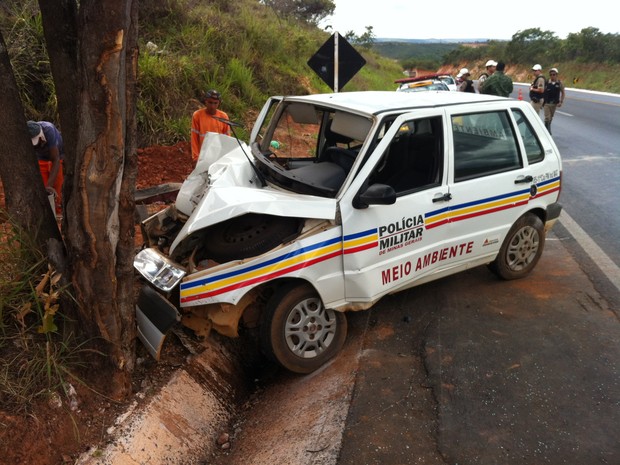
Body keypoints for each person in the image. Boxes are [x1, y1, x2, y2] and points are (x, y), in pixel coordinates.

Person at [27, 120, 64, 215]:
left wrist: (49, 186)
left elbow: (55, 159)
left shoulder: (49, 130)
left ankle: (59, 214)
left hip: (57, 158)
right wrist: (46, 187)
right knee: (43, 189)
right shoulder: (27, 133)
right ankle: (48, 214)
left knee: (57, 188)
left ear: (40, 135)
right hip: (41, 159)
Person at [190, 89, 230, 161]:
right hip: (202, 156)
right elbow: (194, 138)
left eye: (215, 103)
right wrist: (196, 157)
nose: (212, 106)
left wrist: (225, 158)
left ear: (219, 103)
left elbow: (227, 139)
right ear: (205, 101)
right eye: (210, 102)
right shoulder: (197, 115)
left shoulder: (223, 117)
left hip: (218, 156)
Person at [543, 68, 565, 135]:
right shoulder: (546, 82)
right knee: (547, 117)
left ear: (556, 75)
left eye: (554, 74)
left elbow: (563, 93)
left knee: (551, 117)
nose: (552, 76)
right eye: (551, 74)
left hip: (554, 103)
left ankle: (546, 129)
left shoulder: (559, 83)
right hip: (546, 103)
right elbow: (542, 91)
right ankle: (548, 132)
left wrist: (561, 101)